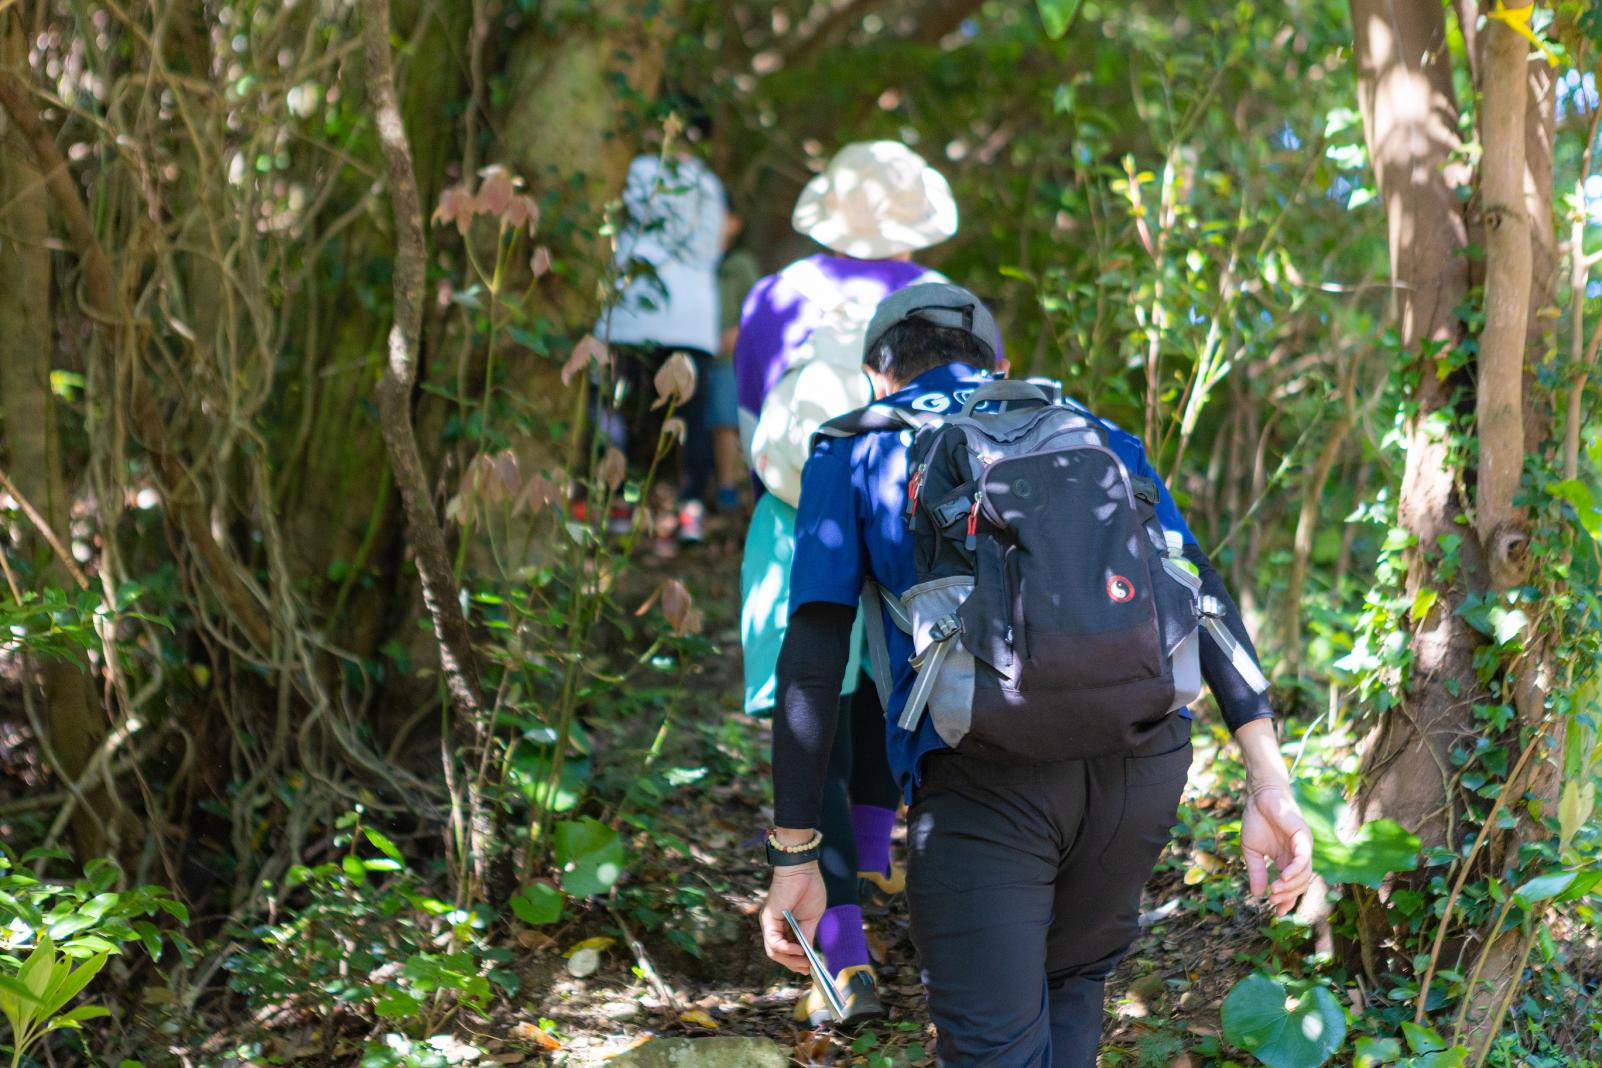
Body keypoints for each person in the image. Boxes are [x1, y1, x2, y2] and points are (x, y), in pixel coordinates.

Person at [758, 283, 1315, 1065]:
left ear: (876, 377)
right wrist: (1269, 783)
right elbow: (1203, 593)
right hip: (1142, 766)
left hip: (984, 781)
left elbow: (814, 659)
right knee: (1072, 991)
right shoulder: (1093, 432)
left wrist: (795, 853)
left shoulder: (855, 447)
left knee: (994, 1049)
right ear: (1001, 367)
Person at [735, 141, 957, 1025]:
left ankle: (844, 955)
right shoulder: (942, 304)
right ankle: (875, 856)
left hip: (799, 522)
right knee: (883, 690)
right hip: (906, 528)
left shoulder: (772, 294)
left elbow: (754, 418)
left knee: (812, 716)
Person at [593, 105, 726, 545]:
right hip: (693, 320)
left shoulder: (642, 169)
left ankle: (613, 503)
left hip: (633, 316)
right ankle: (691, 511)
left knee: (619, 410)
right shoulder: (710, 187)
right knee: (692, 418)